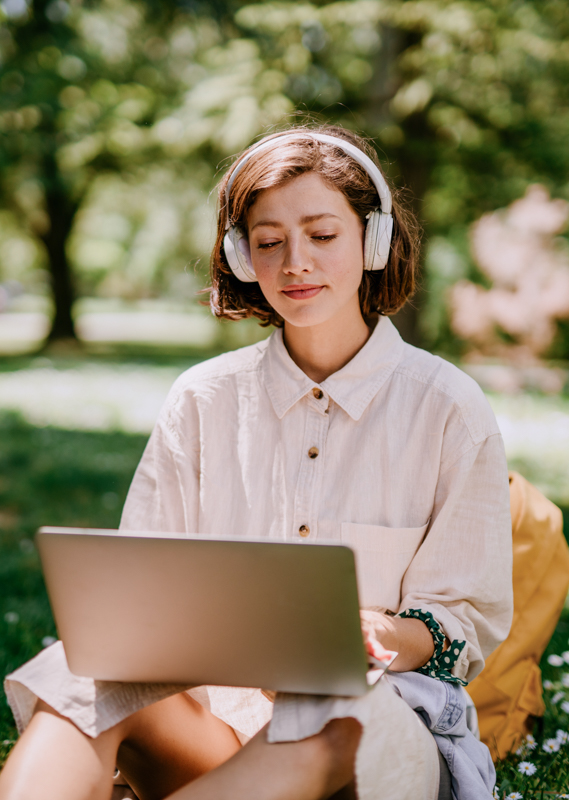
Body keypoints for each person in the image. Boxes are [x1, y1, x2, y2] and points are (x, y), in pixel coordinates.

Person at [0, 125, 513, 800]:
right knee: (82, 673)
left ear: (375, 241)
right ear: (244, 257)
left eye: (322, 236)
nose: (295, 261)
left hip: (368, 743)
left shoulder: (449, 407)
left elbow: (462, 621)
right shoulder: (202, 399)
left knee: (333, 712)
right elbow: (141, 598)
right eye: (269, 242)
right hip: (214, 731)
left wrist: (378, 632)